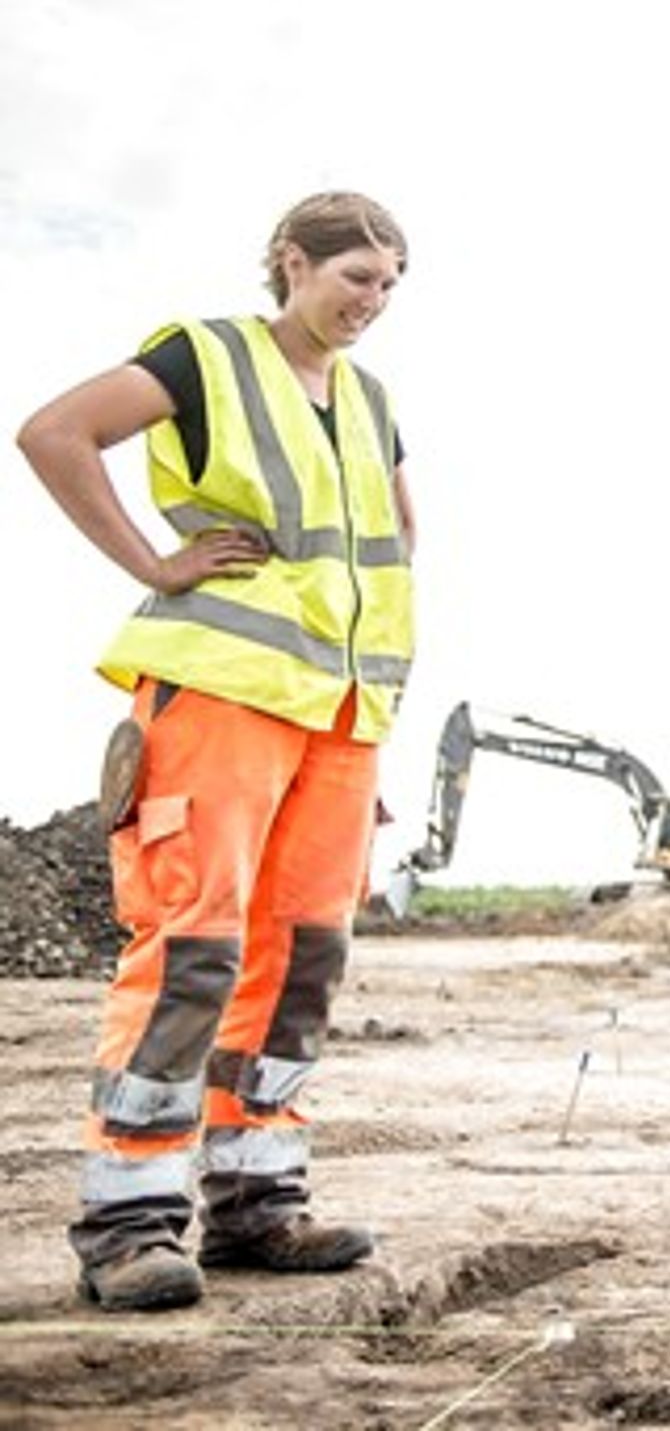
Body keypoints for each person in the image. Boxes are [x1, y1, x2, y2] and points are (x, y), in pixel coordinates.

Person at [16, 191, 417, 1313]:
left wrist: (363, 685)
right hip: (223, 693)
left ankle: (257, 1199)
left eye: (390, 284)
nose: (373, 302)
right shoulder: (210, 357)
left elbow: (394, 538)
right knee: (193, 946)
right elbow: (53, 431)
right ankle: (128, 1221)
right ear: (292, 261)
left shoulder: (371, 401)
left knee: (299, 962)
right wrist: (154, 558)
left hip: (339, 715)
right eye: (355, 278)